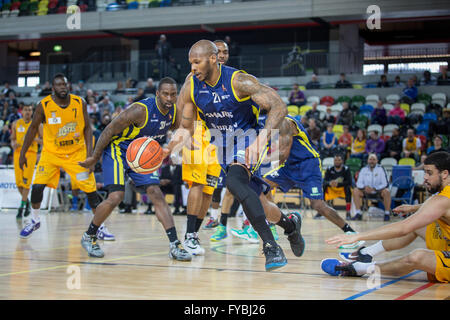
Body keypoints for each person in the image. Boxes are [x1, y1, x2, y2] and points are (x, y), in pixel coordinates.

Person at [166, 40, 297, 271]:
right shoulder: (190, 86)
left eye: (197, 62)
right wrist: (168, 148)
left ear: (213, 59)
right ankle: (290, 225)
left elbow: (279, 106)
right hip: (222, 144)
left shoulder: (239, 81)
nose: (192, 67)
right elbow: (185, 127)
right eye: (190, 63)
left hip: (249, 137)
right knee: (260, 201)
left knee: (234, 183)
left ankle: (270, 245)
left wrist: (261, 140)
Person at [79, 77, 191, 261]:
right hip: (118, 149)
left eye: (173, 94)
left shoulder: (174, 113)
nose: (169, 98)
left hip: (143, 154)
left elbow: (183, 131)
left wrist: (172, 148)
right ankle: (89, 235)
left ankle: (174, 245)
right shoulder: (140, 110)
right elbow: (109, 130)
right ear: (157, 94)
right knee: (116, 196)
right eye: (165, 94)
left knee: (156, 192)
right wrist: (94, 157)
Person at [322, 151, 450, 284]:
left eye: (429, 173)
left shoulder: (443, 199)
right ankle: (367, 253)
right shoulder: (443, 195)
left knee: (416, 257)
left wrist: (357, 236)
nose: (424, 178)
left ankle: (359, 268)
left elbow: (404, 227)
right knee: (419, 225)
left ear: (444, 174)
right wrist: (412, 208)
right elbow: (437, 204)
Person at [17, 74, 109, 242]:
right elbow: (32, 129)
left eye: (65, 84)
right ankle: (35, 220)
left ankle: (100, 226)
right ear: (53, 88)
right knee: (37, 188)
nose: (62, 87)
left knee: (90, 191)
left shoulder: (79, 102)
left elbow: (88, 129)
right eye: (58, 85)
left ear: (69, 86)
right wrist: (22, 153)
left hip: (76, 154)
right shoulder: (43, 105)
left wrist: (90, 156)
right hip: (51, 154)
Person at [262, 116, 359, 243]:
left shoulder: (286, 122)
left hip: (308, 164)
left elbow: (282, 153)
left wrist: (260, 158)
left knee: (318, 205)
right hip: (289, 166)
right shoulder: (267, 127)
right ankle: (272, 225)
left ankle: (350, 231)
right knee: (262, 186)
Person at [10, 105, 43, 219]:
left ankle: (21, 207)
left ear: (32, 111)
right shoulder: (16, 124)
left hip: (30, 154)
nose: (28, 112)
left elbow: (43, 140)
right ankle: (27, 202)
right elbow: (13, 139)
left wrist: (33, 139)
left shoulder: (37, 124)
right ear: (22, 111)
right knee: (19, 183)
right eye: (25, 110)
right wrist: (13, 144)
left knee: (26, 183)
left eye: (30, 110)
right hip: (18, 154)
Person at [351, 153, 391, 221]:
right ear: (367, 161)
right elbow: (358, 183)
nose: (372, 161)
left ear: (377, 161)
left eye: (374, 159)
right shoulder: (363, 170)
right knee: (355, 190)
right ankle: (358, 213)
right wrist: (364, 188)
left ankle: (387, 213)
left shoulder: (381, 169)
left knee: (386, 191)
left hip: (378, 192)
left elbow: (385, 183)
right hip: (366, 192)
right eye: (370, 159)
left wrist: (375, 188)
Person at [323, 154, 353, 220]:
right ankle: (323, 211)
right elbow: (324, 181)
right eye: (335, 160)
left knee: (348, 189)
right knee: (324, 187)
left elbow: (349, 182)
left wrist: (338, 184)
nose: (337, 161)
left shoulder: (346, 169)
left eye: (339, 160)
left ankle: (348, 213)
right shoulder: (329, 169)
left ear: (342, 161)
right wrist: (330, 183)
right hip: (332, 189)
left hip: (342, 189)